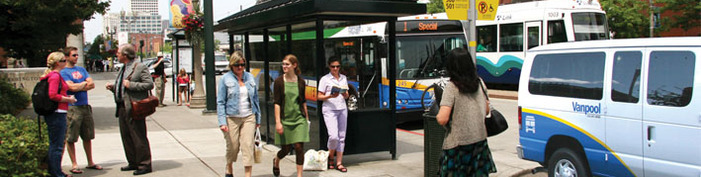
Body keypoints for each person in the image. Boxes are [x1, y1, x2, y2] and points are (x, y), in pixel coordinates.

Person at [436, 48, 496, 176]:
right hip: (479, 142)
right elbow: (486, 110)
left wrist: (437, 113)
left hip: (458, 146)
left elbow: (443, 118)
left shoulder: (452, 87)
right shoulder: (479, 83)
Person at [105, 44, 154, 175]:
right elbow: (122, 86)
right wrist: (114, 87)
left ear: (125, 55)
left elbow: (149, 84)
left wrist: (131, 85)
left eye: (119, 52)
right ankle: (133, 162)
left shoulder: (139, 67)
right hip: (122, 107)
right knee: (126, 136)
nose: (117, 54)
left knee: (138, 136)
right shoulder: (123, 68)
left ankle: (144, 164)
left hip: (134, 107)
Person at [216, 51, 261, 177]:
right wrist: (222, 122)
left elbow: (255, 99)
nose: (240, 67)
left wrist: (258, 119)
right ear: (231, 65)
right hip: (232, 117)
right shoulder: (225, 79)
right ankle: (229, 166)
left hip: (248, 116)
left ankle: (248, 174)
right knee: (233, 147)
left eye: (242, 64)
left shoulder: (250, 77)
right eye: (237, 65)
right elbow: (220, 102)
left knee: (248, 145)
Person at [60, 47, 101, 174]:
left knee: (87, 135)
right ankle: (74, 163)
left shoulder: (82, 69)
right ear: (66, 57)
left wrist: (79, 86)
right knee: (71, 136)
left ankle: (90, 162)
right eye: (74, 55)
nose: (76, 57)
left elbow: (92, 84)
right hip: (72, 107)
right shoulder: (63, 72)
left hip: (85, 106)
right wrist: (83, 84)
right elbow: (70, 88)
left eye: (77, 55)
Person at [40, 52, 78, 177]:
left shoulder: (52, 75)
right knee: (57, 145)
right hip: (57, 113)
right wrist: (68, 99)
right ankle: (56, 173)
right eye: (63, 60)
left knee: (56, 143)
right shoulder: (55, 76)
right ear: (57, 63)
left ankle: (56, 171)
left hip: (57, 112)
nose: (65, 61)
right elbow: (53, 95)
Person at [272, 54, 309, 177]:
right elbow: (277, 103)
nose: (284, 66)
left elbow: (303, 101)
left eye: (287, 64)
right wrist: (278, 122)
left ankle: (299, 175)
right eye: (283, 64)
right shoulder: (278, 82)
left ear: (294, 65)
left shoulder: (301, 82)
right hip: (285, 120)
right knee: (286, 149)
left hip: (299, 119)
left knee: (299, 147)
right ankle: (276, 160)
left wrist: (306, 119)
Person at [316, 57, 349, 172]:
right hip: (329, 109)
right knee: (333, 136)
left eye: (337, 66)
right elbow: (319, 96)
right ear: (329, 67)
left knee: (341, 136)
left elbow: (347, 94)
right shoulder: (325, 79)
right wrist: (330, 96)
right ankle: (330, 156)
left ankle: (339, 162)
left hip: (342, 108)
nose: (335, 69)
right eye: (333, 66)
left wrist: (345, 94)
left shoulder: (343, 78)